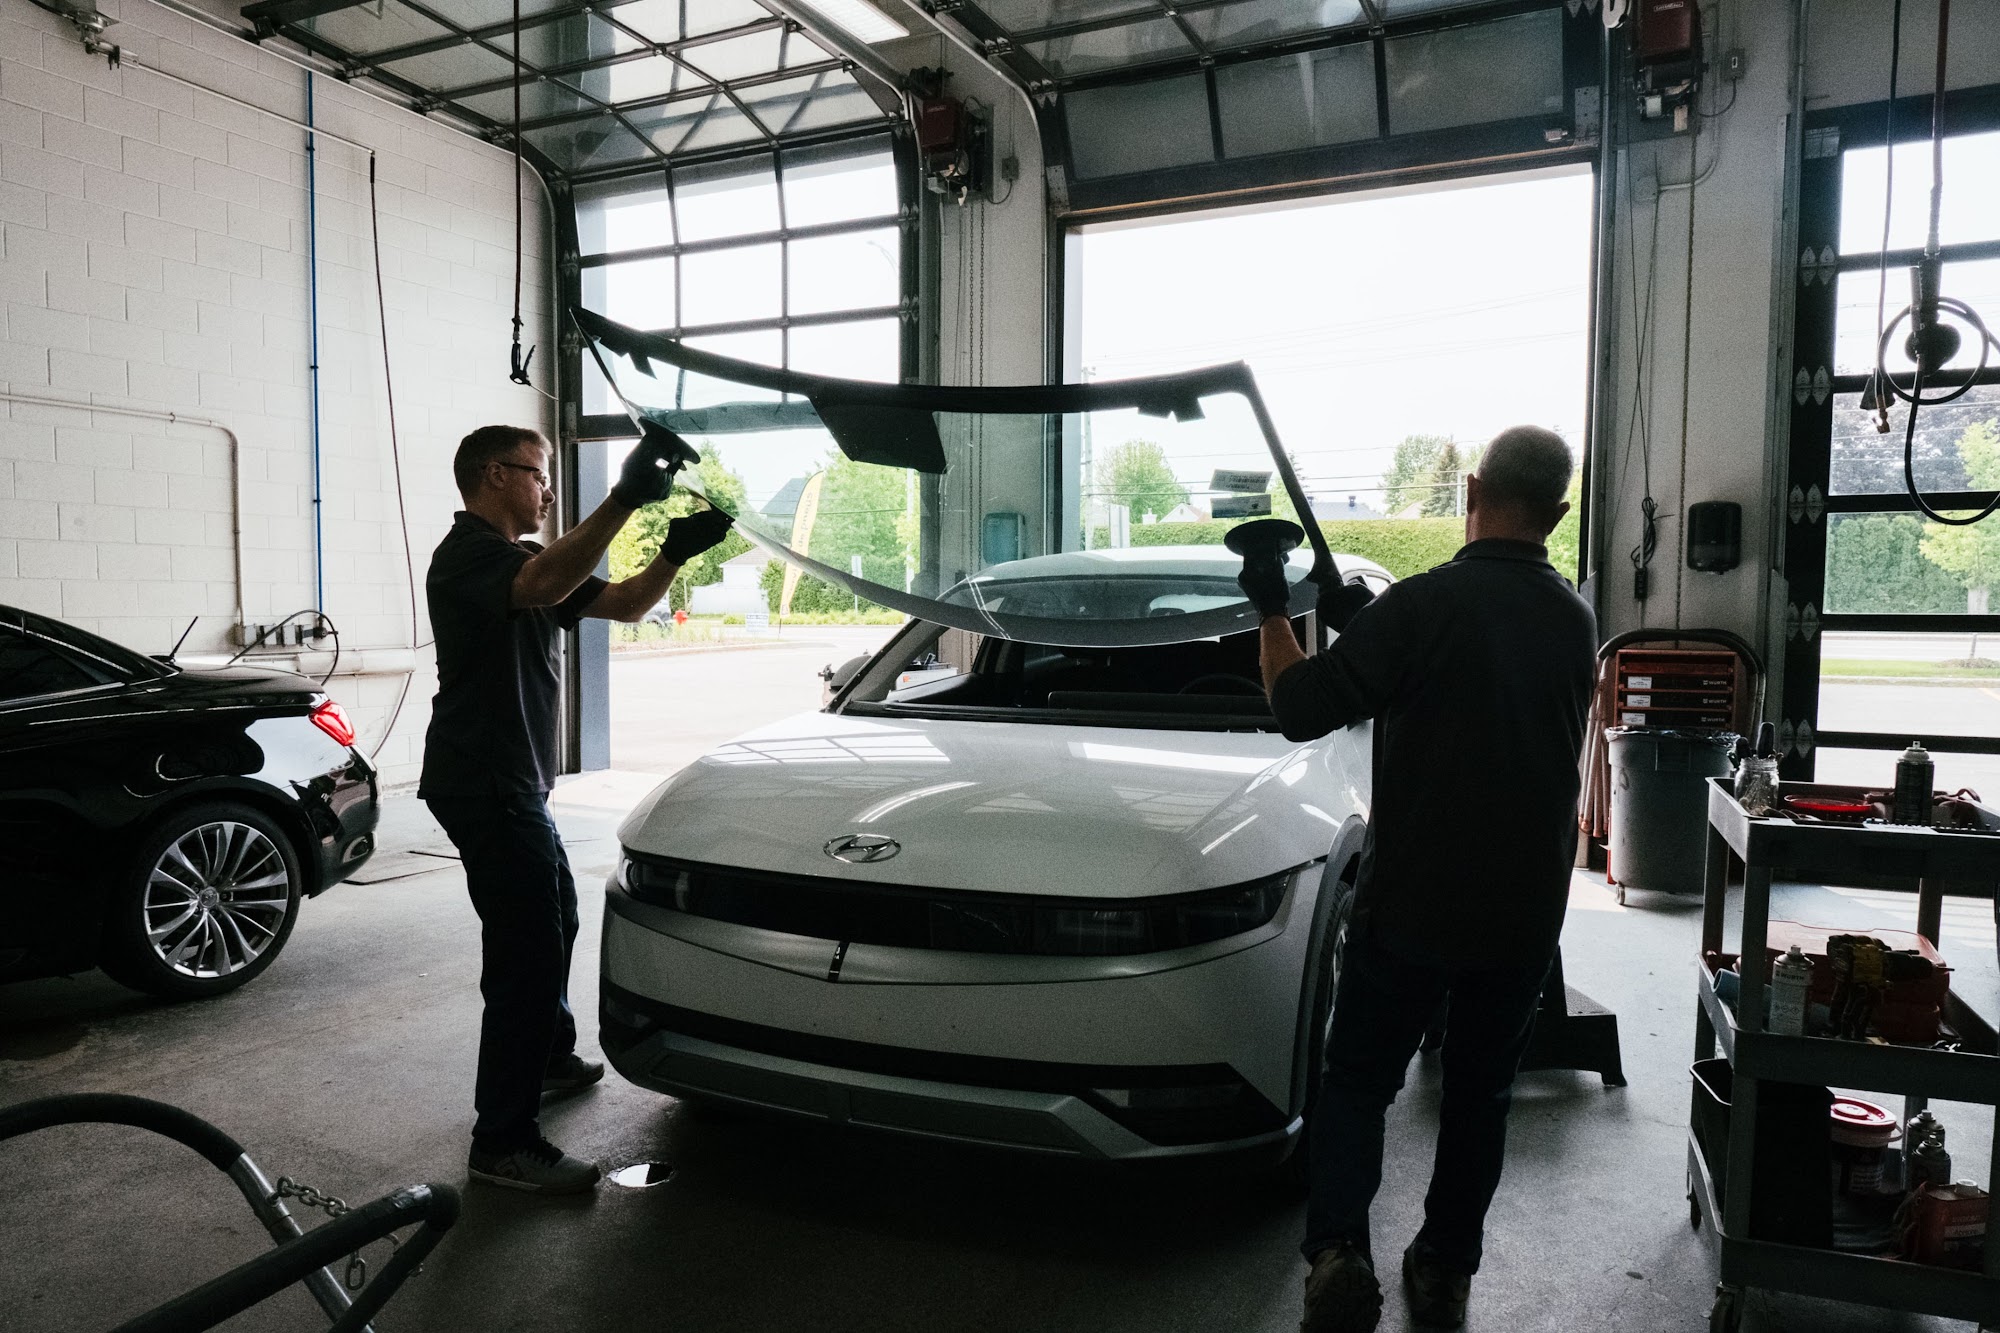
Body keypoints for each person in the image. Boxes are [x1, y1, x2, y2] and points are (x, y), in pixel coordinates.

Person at [1237, 427, 1596, 1332]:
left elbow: (1299, 706)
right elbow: (1470, 674)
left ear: (1471, 489)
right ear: (1558, 513)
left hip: (1412, 907)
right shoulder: (1574, 618)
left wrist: (1273, 608)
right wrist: (1361, 621)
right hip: (1521, 914)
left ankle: (1338, 1253)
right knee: (1479, 1095)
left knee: (1359, 1081)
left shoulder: (1424, 604)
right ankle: (1443, 1273)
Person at [420, 423, 731, 1194]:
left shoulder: (529, 560)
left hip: (514, 781)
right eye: (539, 473)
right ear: (495, 475)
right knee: (526, 950)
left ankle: (548, 1056)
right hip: (483, 781)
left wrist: (675, 551)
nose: (549, 489)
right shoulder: (469, 557)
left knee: (556, 910)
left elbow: (626, 603)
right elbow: (542, 586)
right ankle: (503, 1141)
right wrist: (624, 497)